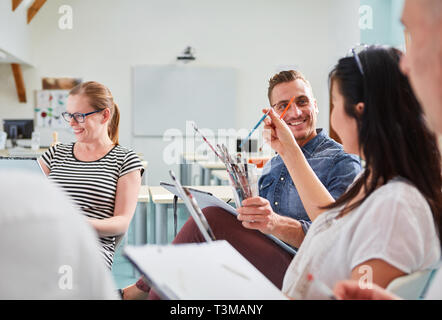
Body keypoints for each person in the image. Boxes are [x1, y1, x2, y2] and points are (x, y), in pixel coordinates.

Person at [123, 70, 362, 299]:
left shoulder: (341, 161)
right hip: (269, 257)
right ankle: (148, 289)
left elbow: (335, 238)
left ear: (316, 105)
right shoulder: (274, 164)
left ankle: (140, 292)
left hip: (307, 269)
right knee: (204, 247)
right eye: (283, 106)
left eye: (302, 101)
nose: (295, 112)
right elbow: (262, 226)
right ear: (272, 115)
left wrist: (274, 223)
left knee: (211, 218)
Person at [262, 45, 441, 299]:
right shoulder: (374, 181)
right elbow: (330, 216)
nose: (333, 117)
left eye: (335, 103)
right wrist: (289, 150)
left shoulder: (395, 206)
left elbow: (359, 292)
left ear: (359, 110)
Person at [333, 0, 442, 300]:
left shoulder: (396, 203)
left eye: (413, 34)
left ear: (360, 111)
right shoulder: (381, 186)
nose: (405, 65)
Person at [38, 81, 144, 269]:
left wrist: (76, 223)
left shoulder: (126, 160)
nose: (71, 123)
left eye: (79, 116)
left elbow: (121, 222)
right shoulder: (55, 153)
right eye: (69, 115)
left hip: (90, 247)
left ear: (105, 115)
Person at [0, 171, 118, 299]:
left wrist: (75, 221)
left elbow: (122, 222)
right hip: (61, 235)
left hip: (79, 237)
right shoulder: (46, 192)